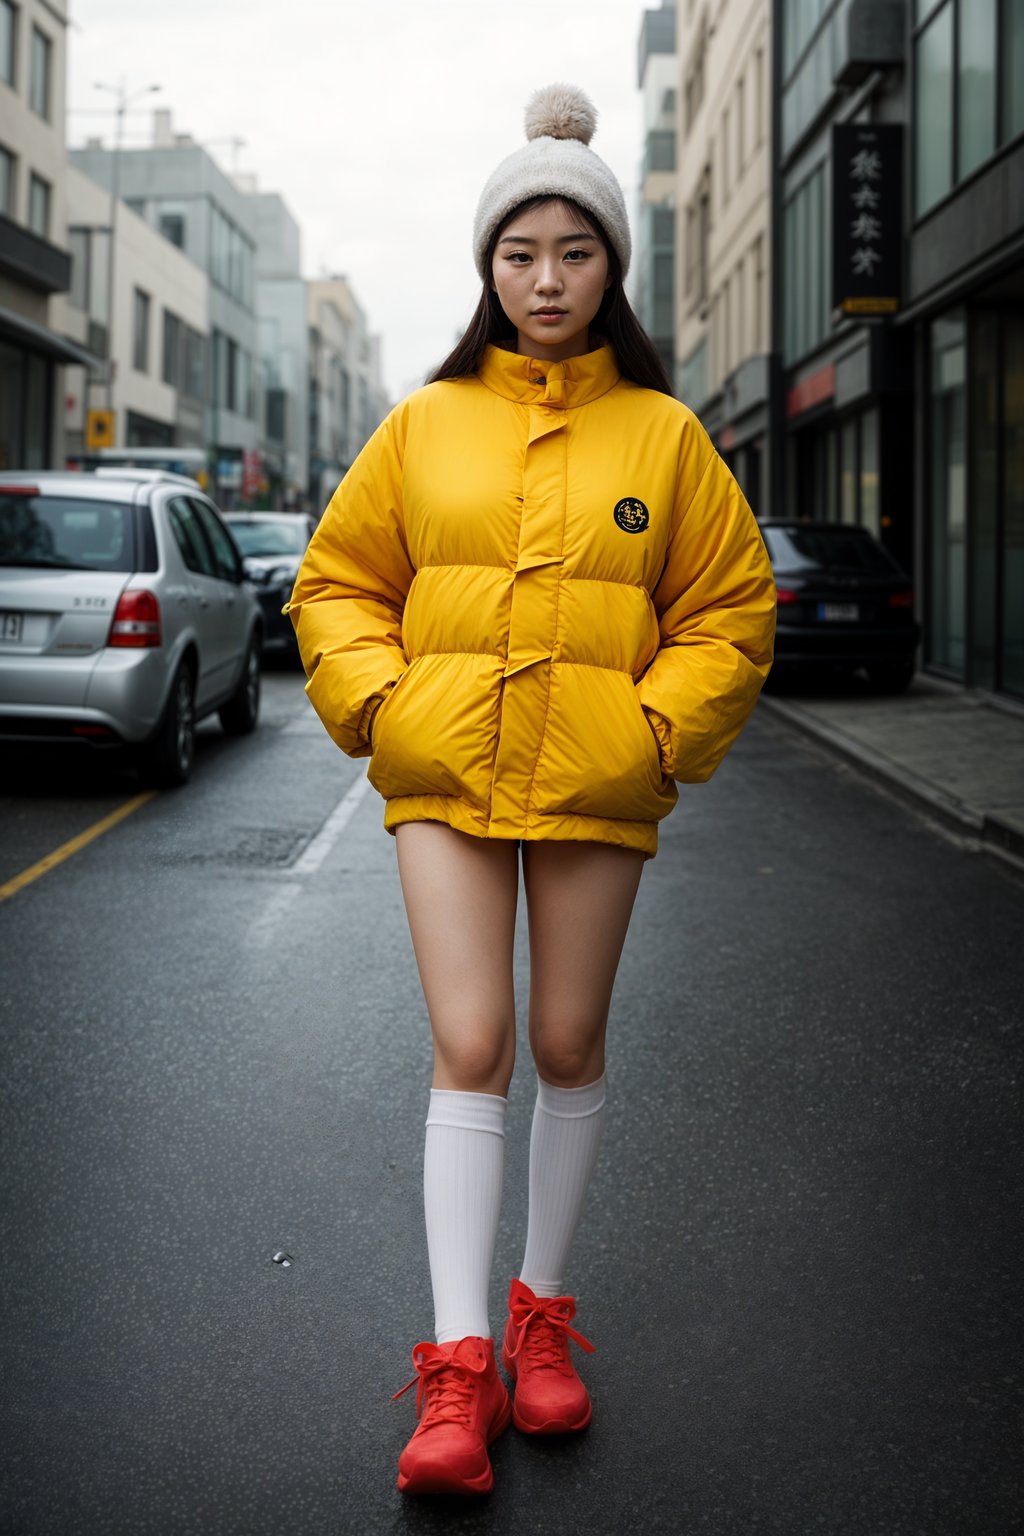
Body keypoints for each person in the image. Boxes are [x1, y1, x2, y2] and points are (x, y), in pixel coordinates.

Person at [287, 83, 776, 1498]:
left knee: (567, 1040)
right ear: (487, 267)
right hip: (443, 770)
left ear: (611, 267)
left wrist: (657, 735)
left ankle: (541, 1320)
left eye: (574, 252)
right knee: (473, 1037)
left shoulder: (666, 437)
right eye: (519, 253)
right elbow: (337, 584)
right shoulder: (426, 421)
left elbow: (731, 613)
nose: (546, 279)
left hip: (596, 774)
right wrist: (381, 704)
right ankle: (456, 1373)